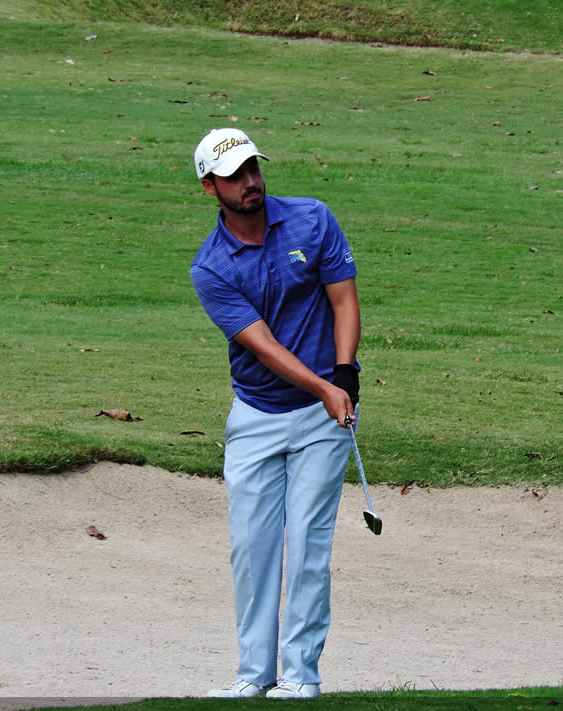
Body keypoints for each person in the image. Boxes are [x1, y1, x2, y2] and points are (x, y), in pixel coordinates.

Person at [189, 128, 361, 700]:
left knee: (308, 544)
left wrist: (344, 375)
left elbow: (344, 299)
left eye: (253, 169)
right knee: (252, 548)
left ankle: (300, 677)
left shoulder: (312, 219)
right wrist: (323, 385)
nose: (250, 182)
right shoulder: (211, 267)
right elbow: (262, 345)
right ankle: (253, 674)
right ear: (210, 187)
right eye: (234, 176)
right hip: (257, 415)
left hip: (324, 417)